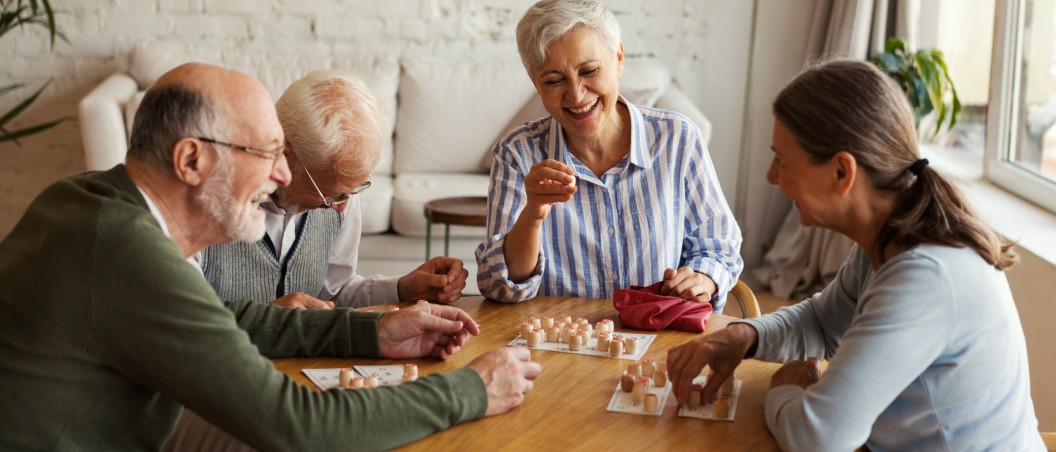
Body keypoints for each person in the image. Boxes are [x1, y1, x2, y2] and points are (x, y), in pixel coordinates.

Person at [0, 62, 540, 451]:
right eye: (263, 154)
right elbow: (296, 424)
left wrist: (368, 332)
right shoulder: (128, 250)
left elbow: (219, 318)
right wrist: (470, 387)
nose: (279, 175)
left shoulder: (86, 197)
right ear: (191, 159)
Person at [666, 60, 1044, 451]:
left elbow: (818, 437)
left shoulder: (925, 276)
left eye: (783, 159)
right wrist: (745, 336)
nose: (772, 176)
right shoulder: (888, 238)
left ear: (842, 173)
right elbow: (821, 323)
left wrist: (785, 390)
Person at [476, 0, 743, 309]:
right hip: (558, 348)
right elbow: (500, 286)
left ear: (618, 58)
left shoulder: (678, 139)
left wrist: (702, 279)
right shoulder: (516, 154)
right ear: (535, 82)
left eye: (588, 70)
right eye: (553, 80)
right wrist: (533, 213)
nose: (576, 95)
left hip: (658, 340)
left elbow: (719, 248)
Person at [197, 69, 468, 310]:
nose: (341, 207)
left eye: (353, 190)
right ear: (285, 155)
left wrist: (402, 288)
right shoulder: (205, 200)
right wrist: (270, 316)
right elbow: (178, 319)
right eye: (332, 195)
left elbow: (334, 292)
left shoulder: (342, 191)